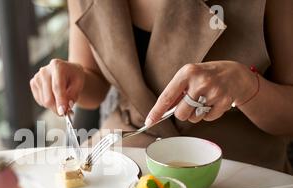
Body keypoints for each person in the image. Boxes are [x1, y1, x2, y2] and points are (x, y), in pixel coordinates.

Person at [30, 0, 293, 172]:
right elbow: (93, 88)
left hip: (235, 170)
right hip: (123, 159)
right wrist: (71, 78)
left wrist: (246, 86)